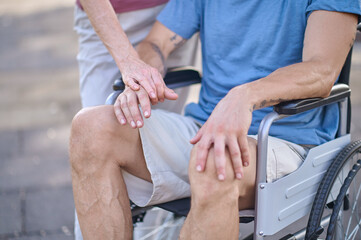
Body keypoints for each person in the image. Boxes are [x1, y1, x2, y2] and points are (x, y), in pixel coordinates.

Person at [69, 0, 361, 239]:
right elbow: (156, 42)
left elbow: (321, 70)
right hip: (205, 127)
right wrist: (144, 75)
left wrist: (244, 96)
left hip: (288, 138)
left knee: (214, 162)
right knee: (90, 129)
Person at [73, 0, 200, 238]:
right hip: (112, 14)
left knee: (157, 148)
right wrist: (128, 61)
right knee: (94, 142)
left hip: (176, 12)